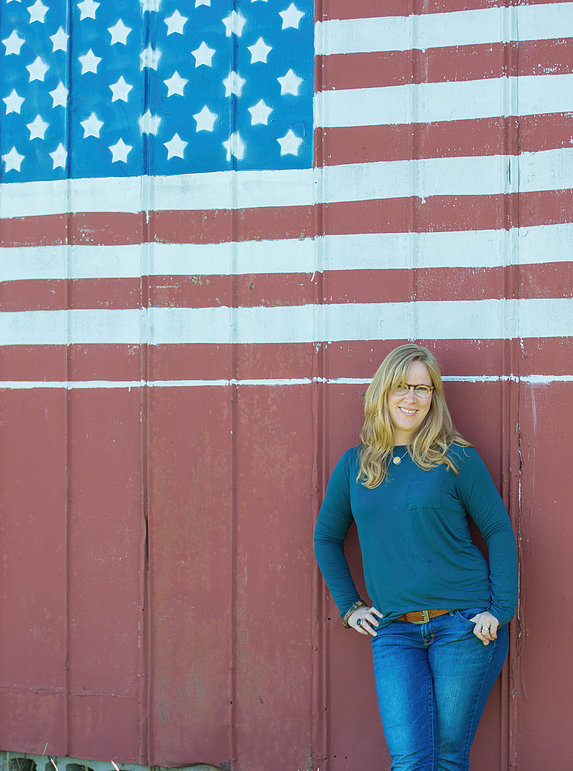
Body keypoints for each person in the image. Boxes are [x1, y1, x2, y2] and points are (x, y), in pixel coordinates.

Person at [314, 344, 518, 771]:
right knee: (410, 760)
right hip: (394, 631)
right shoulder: (355, 465)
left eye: (423, 389)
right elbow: (327, 538)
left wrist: (500, 610)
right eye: (401, 387)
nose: (412, 398)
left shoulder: (455, 457)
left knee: (447, 758)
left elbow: (498, 530)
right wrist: (350, 607)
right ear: (383, 392)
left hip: (462, 626)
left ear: (434, 397)